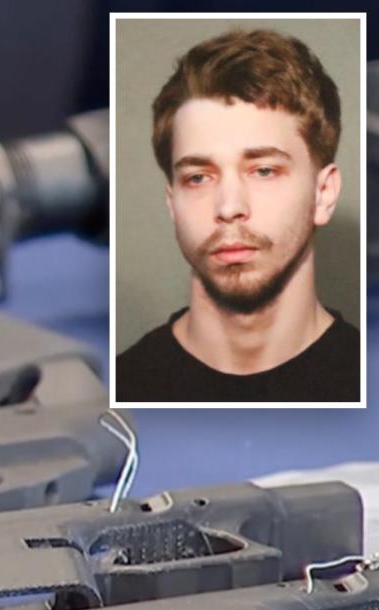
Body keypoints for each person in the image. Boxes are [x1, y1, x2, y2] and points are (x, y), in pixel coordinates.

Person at [116, 28, 359, 402]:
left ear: (323, 193)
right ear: (172, 203)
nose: (229, 208)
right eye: (198, 178)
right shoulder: (117, 391)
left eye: (264, 171)